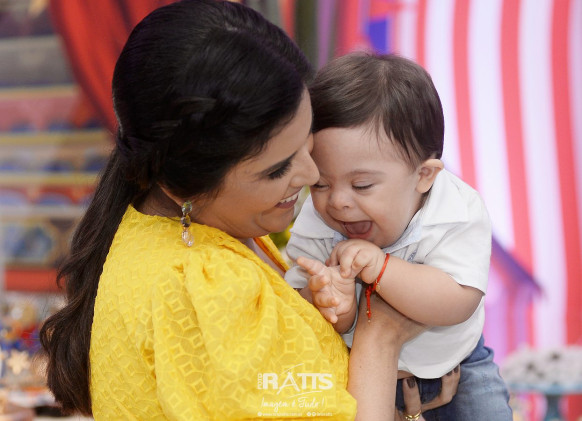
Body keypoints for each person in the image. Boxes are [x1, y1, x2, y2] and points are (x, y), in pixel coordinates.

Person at [38, 2, 457, 420]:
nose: (311, 174)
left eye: (308, 144)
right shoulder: (206, 286)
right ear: (184, 183)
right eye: (278, 169)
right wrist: (381, 334)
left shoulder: (206, 229)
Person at [285, 52, 513, 420]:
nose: (338, 202)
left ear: (424, 175)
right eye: (321, 184)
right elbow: (299, 309)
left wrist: (381, 268)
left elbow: (458, 301)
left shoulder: (455, 211)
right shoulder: (315, 219)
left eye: (362, 184)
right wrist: (331, 303)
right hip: (358, 371)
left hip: (456, 366)